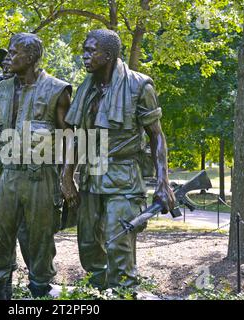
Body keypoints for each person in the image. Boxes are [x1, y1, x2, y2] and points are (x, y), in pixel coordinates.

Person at [0, 34, 78, 299]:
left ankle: (40, 290)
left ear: (30, 58)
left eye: (13, 53)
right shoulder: (1, 91)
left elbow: (71, 136)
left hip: (40, 177)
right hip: (7, 176)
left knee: (40, 240)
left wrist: (67, 176)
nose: (7, 58)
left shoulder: (57, 89)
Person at [65, 29, 175, 290]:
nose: (85, 56)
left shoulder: (140, 85)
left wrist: (163, 181)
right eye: (84, 50)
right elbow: (78, 136)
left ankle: (124, 292)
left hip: (124, 178)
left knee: (118, 245)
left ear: (108, 55)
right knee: (88, 245)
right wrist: (67, 176)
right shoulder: (86, 89)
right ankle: (101, 293)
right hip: (91, 176)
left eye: (91, 51)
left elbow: (156, 136)